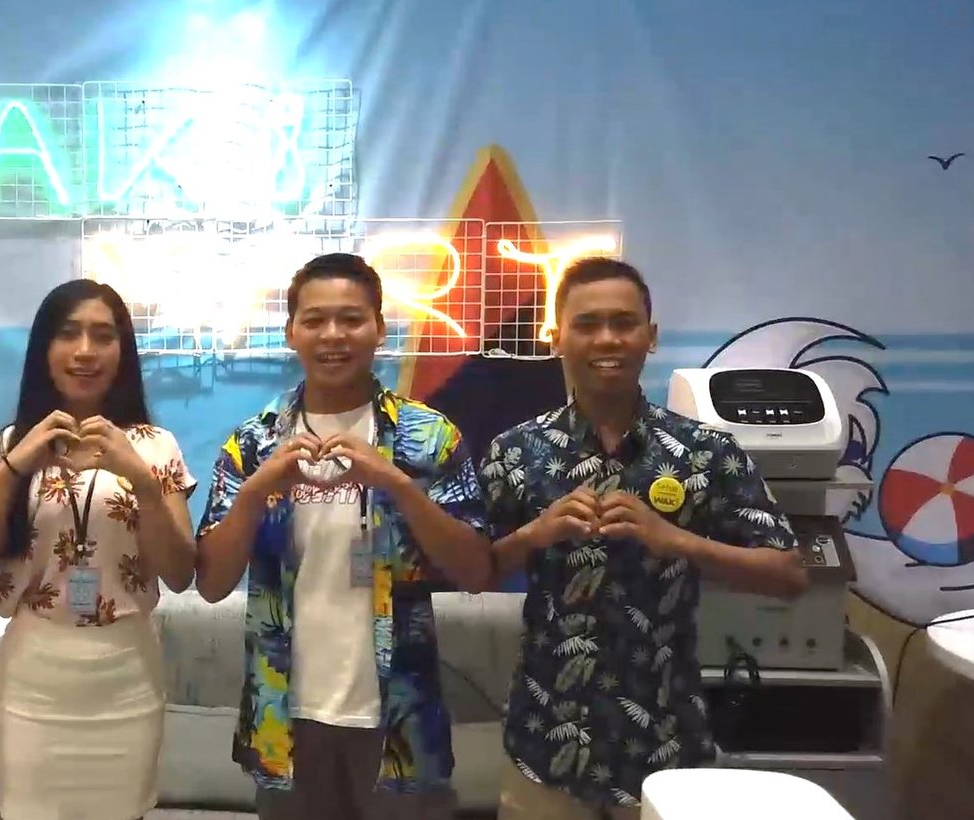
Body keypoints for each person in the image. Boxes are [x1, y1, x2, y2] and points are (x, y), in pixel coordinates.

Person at [481, 256, 809, 820]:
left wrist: (676, 540)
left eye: (624, 323)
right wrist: (535, 533)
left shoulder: (706, 452)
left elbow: (790, 576)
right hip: (545, 742)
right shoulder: (516, 451)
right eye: (587, 324)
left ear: (650, 337)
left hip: (667, 745)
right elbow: (476, 570)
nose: (607, 339)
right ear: (556, 338)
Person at [195, 252, 496, 820]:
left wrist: (397, 484)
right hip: (286, 720)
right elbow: (210, 583)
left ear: (380, 328)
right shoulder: (254, 442)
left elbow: (477, 571)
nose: (333, 335)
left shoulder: (429, 436)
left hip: (399, 721)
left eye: (351, 319)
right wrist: (256, 492)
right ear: (291, 332)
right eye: (314, 320)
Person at [0, 278, 197, 820]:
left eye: (103, 336)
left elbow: (179, 574)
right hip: (35, 678)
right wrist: (13, 469)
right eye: (68, 333)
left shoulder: (154, 447)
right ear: (43, 349)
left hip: (126, 675)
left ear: (122, 352)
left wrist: (140, 478)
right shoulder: (3, 449)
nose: (85, 351)